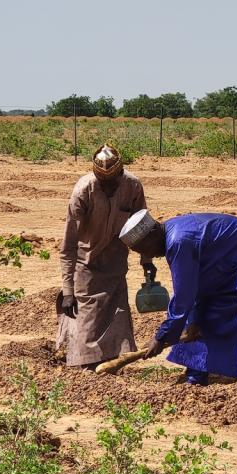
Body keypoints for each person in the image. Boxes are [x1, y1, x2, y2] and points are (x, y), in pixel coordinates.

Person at [119, 210, 237, 385]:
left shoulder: (178, 241)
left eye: (144, 249)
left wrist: (161, 337)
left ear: (153, 233)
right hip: (223, 264)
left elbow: (183, 298)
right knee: (199, 317)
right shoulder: (172, 236)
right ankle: (196, 375)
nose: (149, 254)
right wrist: (192, 320)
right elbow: (191, 290)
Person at [57, 144, 156, 369]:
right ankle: (84, 370)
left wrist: (147, 260)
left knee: (117, 316)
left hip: (116, 262)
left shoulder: (132, 186)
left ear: (121, 173)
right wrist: (68, 291)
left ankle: (111, 366)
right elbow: (68, 244)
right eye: (103, 183)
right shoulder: (83, 190)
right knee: (87, 319)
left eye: (113, 183)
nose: (108, 188)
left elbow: (143, 229)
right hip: (86, 263)